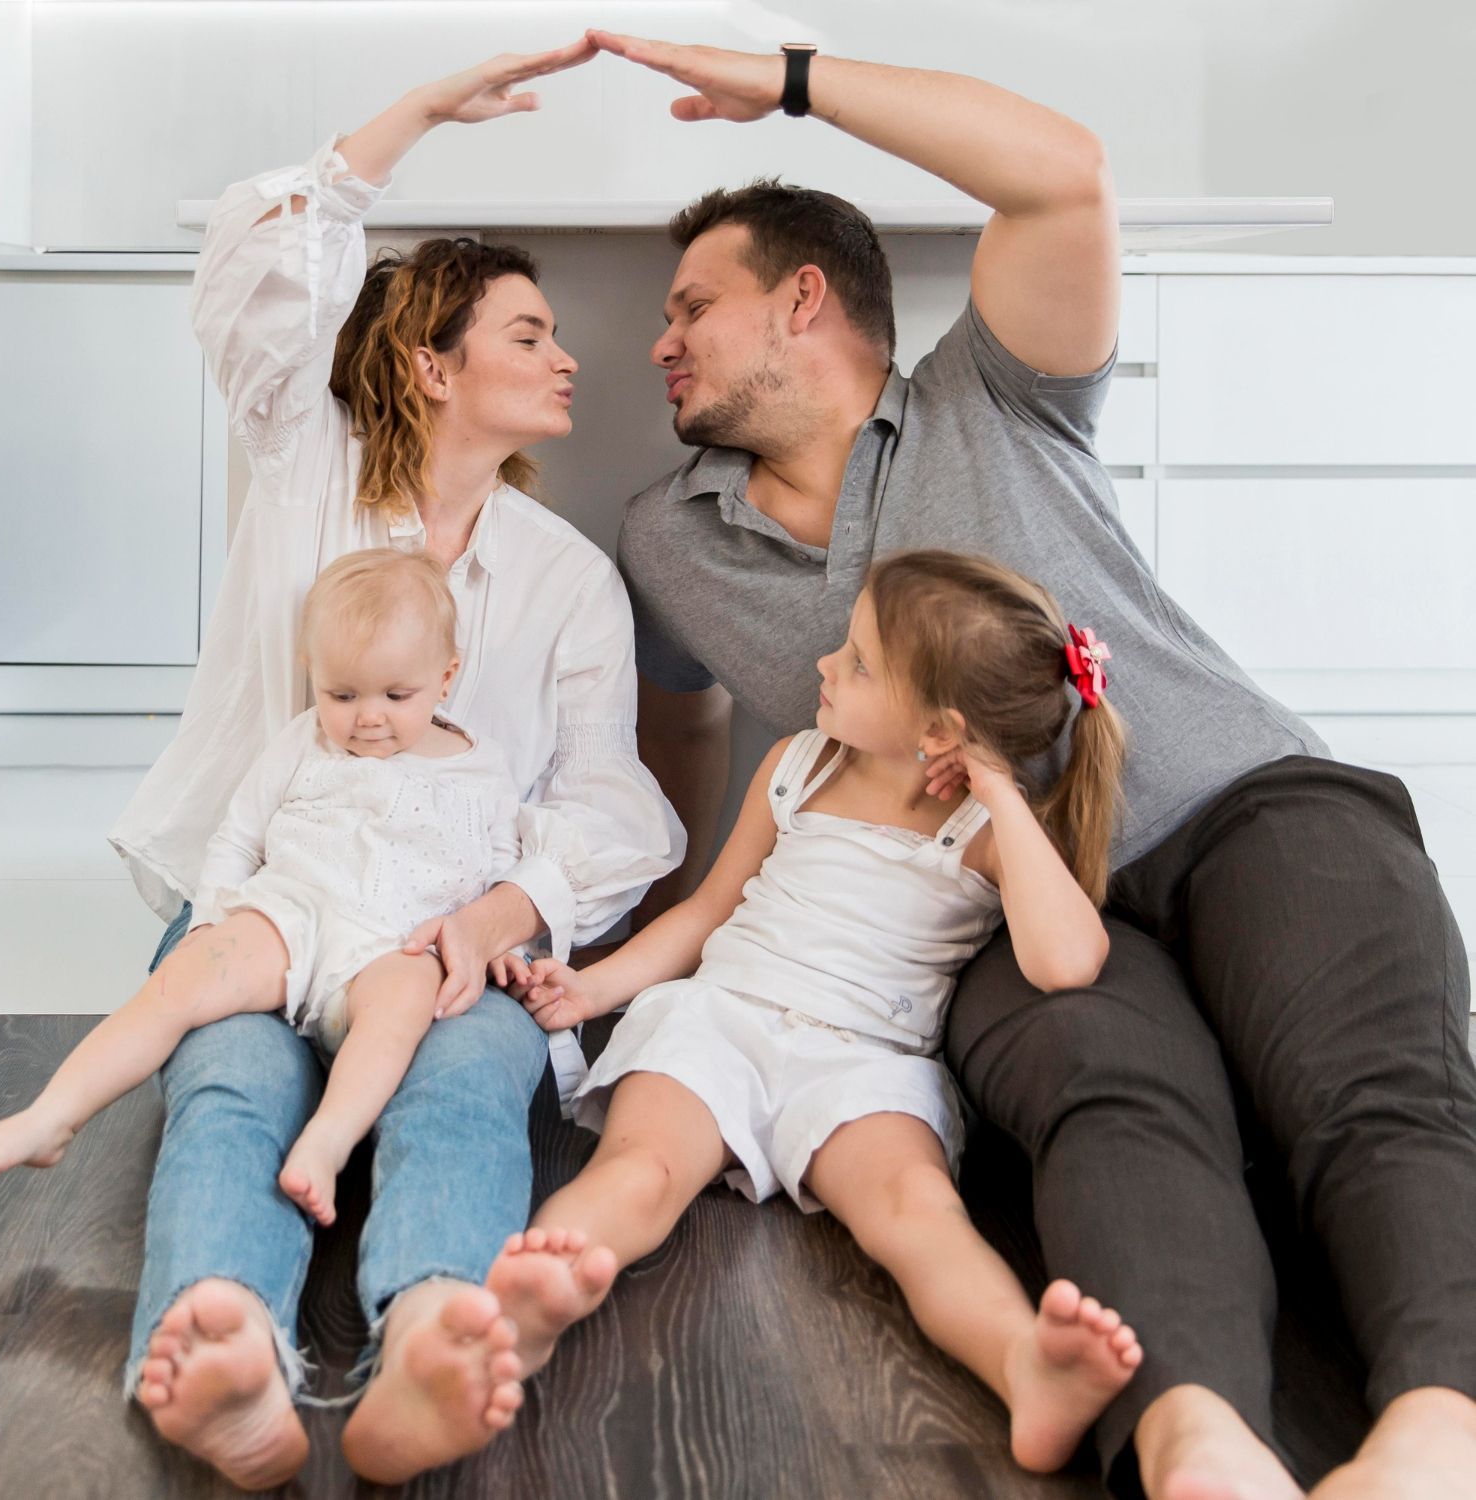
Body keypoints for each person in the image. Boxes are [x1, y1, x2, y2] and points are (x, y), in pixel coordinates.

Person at [591, 28, 1476, 1500]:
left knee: (1368, 1087)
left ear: (801, 299)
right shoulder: (667, 536)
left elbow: (1064, 175)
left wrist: (791, 80)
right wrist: (667, 939)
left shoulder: (986, 395)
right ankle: (1201, 1441)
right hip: (998, 907)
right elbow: (677, 737)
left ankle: (1440, 1435)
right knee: (1111, 1104)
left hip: (1239, 803)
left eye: (693, 305)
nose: (659, 341)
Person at [99, 40, 684, 1490]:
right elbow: (260, 263)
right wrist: (417, 114)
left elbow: (613, 797)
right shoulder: (302, 460)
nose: (568, 360)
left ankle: (430, 1325)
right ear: (434, 363)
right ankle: (219, 1339)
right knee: (229, 1079)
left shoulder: (566, 578)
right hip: (268, 905)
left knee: (470, 1078)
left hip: (445, 932)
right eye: (530, 334)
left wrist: (506, 913)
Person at [488, 551, 1144, 1474]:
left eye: (860, 660)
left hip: (862, 1064)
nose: (827, 665)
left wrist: (999, 788)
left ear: (939, 729)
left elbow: (1069, 958)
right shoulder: (798, 766)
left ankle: (1023, 1363)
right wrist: (594, 989)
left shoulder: (987, 832)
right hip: (717, 1021)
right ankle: (538, 1296)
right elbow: (708, 911)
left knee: (915, 1209)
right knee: (642, 1168)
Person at [0, 549, 542, 1227]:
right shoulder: (303, 743)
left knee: (403, 1010)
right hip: (290, 915)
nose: (367, 717)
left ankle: (327, 1143)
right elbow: (239, 838)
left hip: (397, 942)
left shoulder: (482, 770)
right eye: (342, 695)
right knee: (177, 986)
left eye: (396, 696)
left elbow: (500, 876)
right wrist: (209, 926)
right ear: (315, 680)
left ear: (445, 677)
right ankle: (52, 1116)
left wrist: (500, 945)